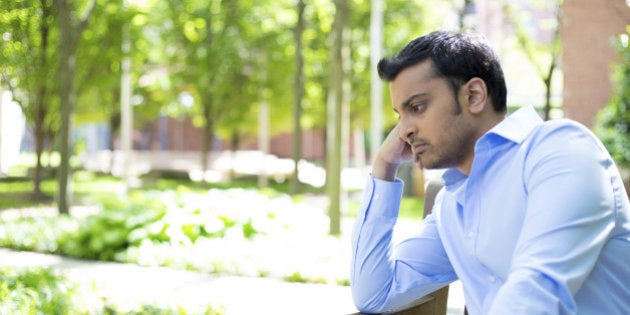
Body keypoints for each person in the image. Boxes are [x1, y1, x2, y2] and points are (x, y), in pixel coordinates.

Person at [350, 30, 630, 315]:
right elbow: (374, 294)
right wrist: (384, 167)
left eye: (417, 107)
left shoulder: (562, 150)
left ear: (473, 96)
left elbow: (536, 295)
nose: (404, 130)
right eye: (401, 115)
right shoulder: (453, 206)